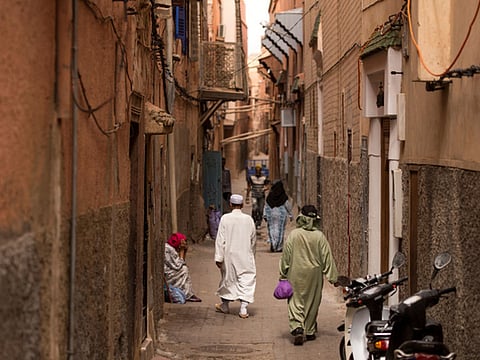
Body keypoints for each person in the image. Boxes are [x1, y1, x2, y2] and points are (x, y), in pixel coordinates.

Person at [279, 205, 339, 345]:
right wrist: (333, 278)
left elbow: (286, 256)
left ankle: (298, 328)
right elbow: (327, 258)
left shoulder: (294, 235)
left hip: (296, 273)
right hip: (314, 275)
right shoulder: (320, 236)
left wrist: (283, 274)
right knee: (312, 301)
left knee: (295, 301)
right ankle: (310, 330)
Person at [214, 194, 256, 319]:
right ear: (242, 205)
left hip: (229, 255)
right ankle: (243, 309)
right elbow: (253, 239)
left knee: (228, 279)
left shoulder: (225, 219)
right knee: (246, 279)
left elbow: (220, 239)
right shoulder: (248, 219)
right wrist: (252, 254)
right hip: (245, 254)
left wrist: (219, 257)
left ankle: (225, 305)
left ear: (231, 205)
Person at [164, 232, 202, 302]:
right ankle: (187, 294)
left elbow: (181, 263)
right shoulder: (168, 249)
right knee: (184, 270)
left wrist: (184, 251)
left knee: (184, 268)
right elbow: (177, 266)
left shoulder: (171, 249)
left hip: (170, 271)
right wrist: (181, 252)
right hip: (167, 274)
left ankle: (188, 293)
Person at [263, 180, 293, 252]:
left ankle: (273, 244)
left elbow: (266, 206)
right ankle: (278, 247)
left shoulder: (270, 196)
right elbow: (288, 206)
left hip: (271, 216)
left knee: (272, 229)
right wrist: (290, 215)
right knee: (280, 230)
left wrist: (265, 215)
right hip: (281, 217)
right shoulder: (283, 197)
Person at [247, 164, 269, 228]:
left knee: (261, 210)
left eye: (259, 171)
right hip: (254, 195)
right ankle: (253, 220)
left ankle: (259, 222)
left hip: (261, 196)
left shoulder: (264, 178)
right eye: (257, 171)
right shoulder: (252, 178)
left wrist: (265, 188)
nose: (258, 172)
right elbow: (248, 187)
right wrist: (247, 197)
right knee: (255, 208)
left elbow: (268, 185)